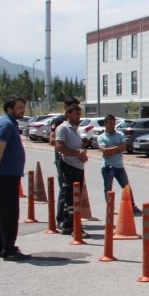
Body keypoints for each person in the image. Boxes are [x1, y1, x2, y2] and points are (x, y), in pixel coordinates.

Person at [0, 96, 31, 261]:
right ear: (9, 108)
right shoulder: (6, 124)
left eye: (23, 107)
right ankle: (8, 250)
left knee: (1, 212)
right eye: (19, 107)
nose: (22, 110)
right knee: (9, 215)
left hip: (8, 175)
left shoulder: (10, 123)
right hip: (5, 176)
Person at [54, 104, 88, 235]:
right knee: (71, 198)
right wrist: (77, 153)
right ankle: (75, 227)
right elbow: (59, 147)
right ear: (68, 114)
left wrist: (82, 152)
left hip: (78, 166)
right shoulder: (63, 128)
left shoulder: (75, 129)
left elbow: (78, 146)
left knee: (74, 197)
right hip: (69, 166)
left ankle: (68, 225)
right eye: (76, 114)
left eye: (79, 114)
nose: (78, 117)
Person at [97, 114, 141, 214]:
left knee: (126, 187)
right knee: (108, 188)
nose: (112, 126)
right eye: (110, 124)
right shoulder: (101, 137)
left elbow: (124, 147)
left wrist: (110, 151)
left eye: (114, 123)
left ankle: (132, 206)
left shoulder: (120, 134)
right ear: (105, 124)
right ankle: (110, 208)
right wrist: (117, 148)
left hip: (119, 167)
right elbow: (104, 150)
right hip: (108, 167)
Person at [49, 97, 80, 231]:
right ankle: (61, 219)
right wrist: (70, 149)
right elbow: (52, 141)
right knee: (65, 189)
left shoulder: (74, 123)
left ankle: (71, 219)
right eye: (73, 107)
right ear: (66, 108)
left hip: (75, 160)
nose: (76, 112)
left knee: (74, 191)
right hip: (64, 159)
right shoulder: (59, 122)